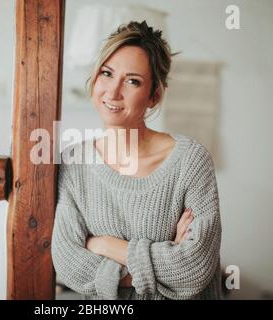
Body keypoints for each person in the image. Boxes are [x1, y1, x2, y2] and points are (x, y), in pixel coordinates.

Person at [51, 21, 222, 300]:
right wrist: (163, 261)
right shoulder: (73, 163)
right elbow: (70, 265)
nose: (113, 91)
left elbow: (193, 268)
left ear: (154, 95)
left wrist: (103, 245)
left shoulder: (191, 161)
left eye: (133, 81)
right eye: (107, 73)